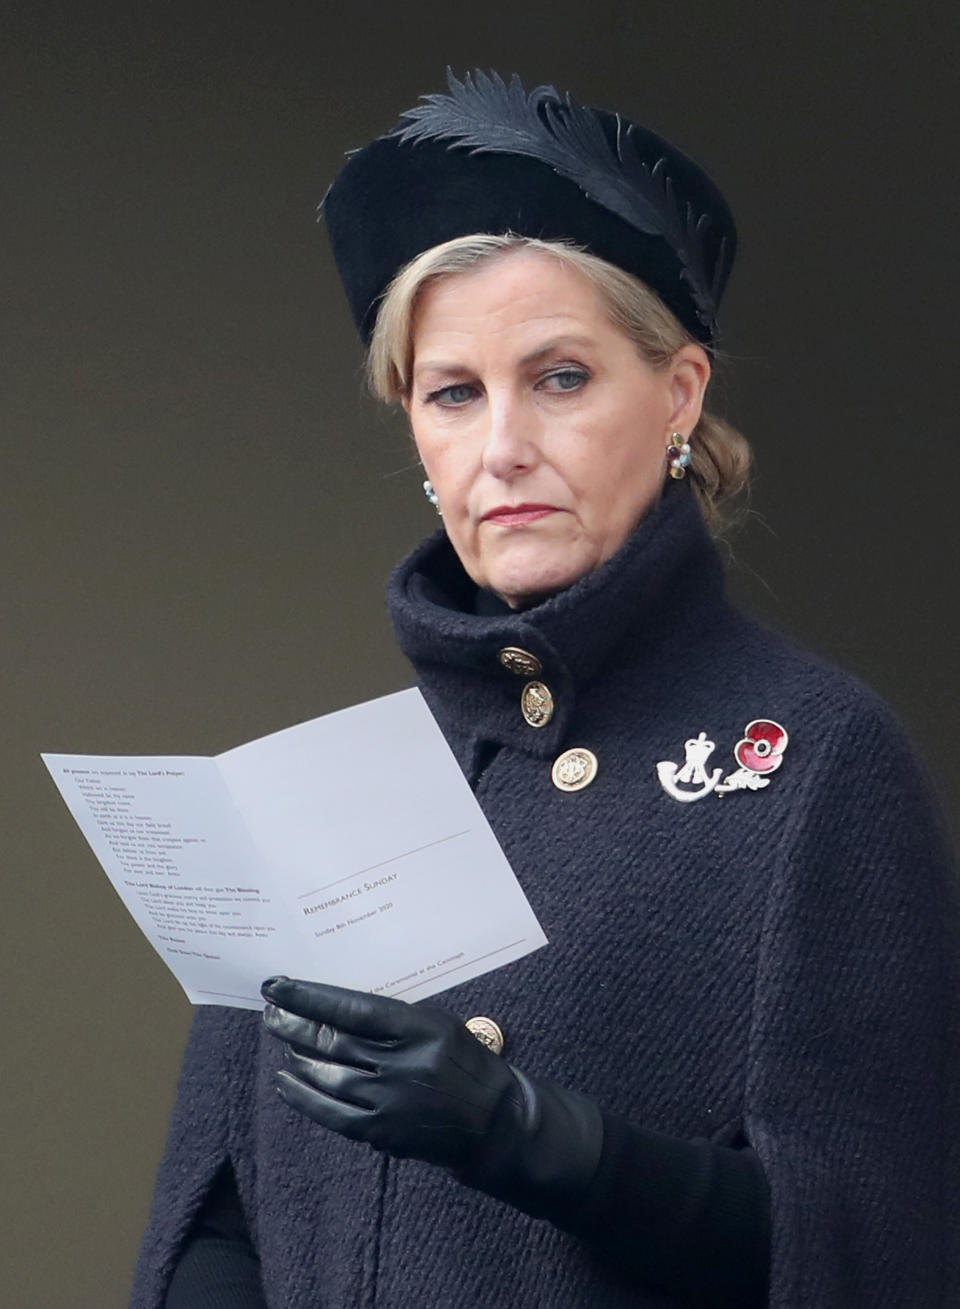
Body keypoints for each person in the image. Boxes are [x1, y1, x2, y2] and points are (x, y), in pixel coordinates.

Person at [132, 71, 960, 1308]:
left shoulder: (816, 759)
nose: (502, 445)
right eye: (454, 392)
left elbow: (876, 1253)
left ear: (678, 395)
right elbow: (220, 1216)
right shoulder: (320, 789)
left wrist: (533, 1137)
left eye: (561, 377)